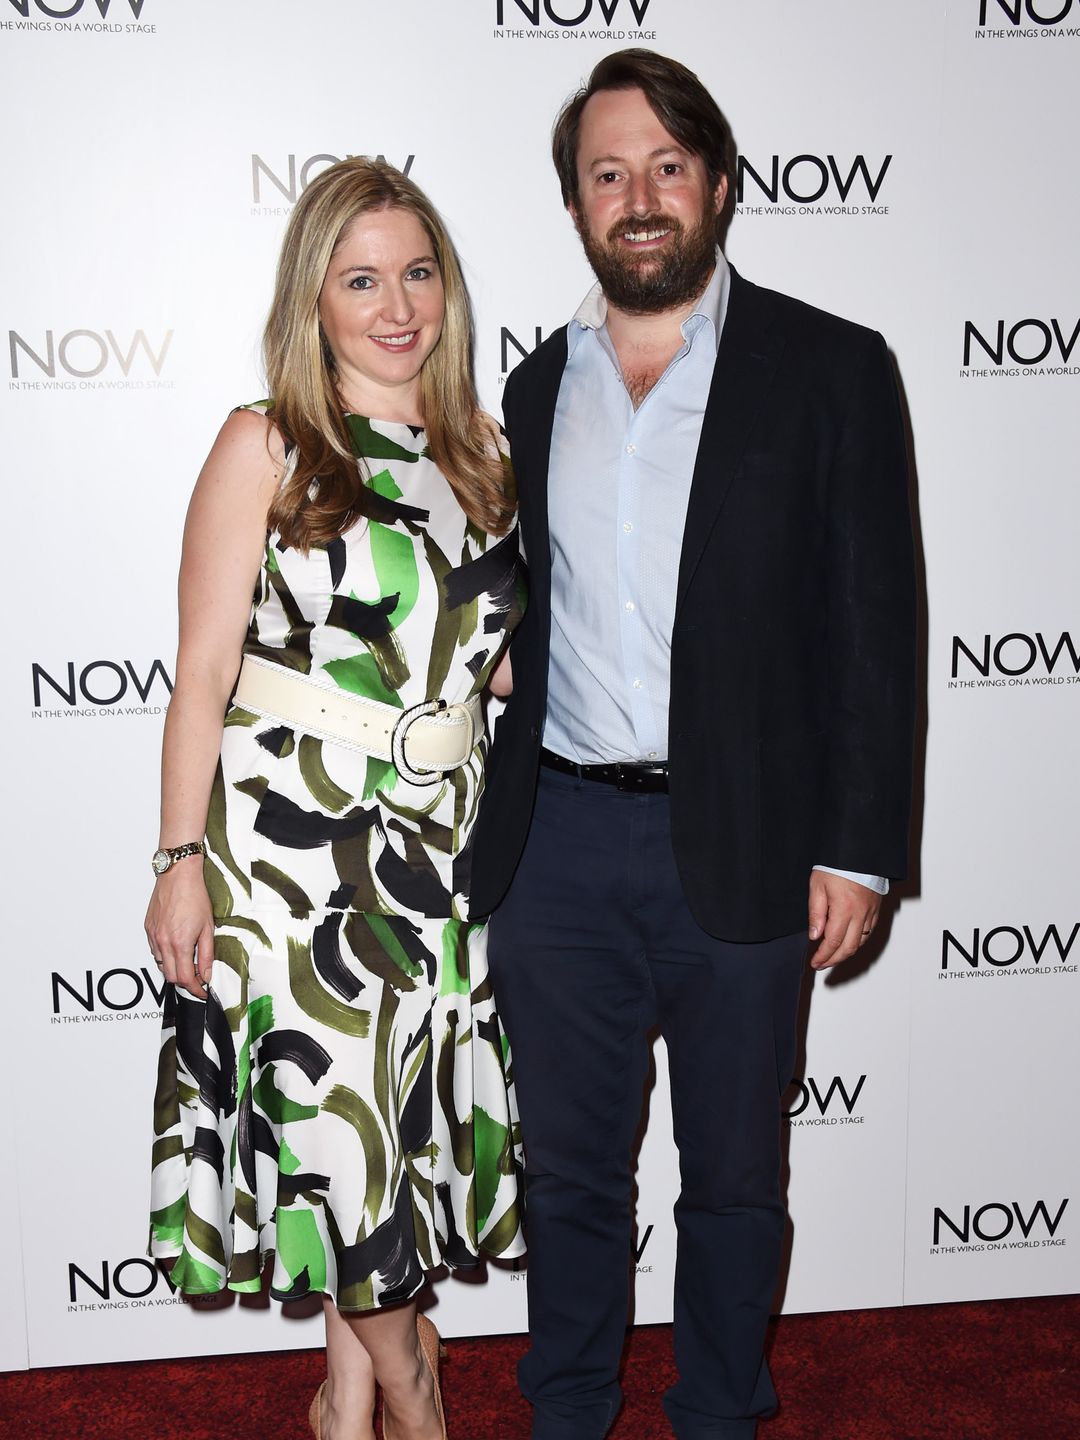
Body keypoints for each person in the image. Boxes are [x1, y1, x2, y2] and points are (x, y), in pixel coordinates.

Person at [470, 49, 916, 1440]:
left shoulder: (833, 367)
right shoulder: (536, 390)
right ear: (577, 205)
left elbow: (879, 631)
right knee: (573, 1180)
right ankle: (568, 1411)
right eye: (609, 174)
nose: (640, 197)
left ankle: (720, 1412)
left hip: (751, 840)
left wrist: (861, 846)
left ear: (719, 185)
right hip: (556, 847)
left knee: (733, 1178)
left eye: (667, 167)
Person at [145, 157, 525, 1440]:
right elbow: (200, 671)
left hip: (437, 847)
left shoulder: (483, 455)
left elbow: (491, 655)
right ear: (314, 298)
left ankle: (344, 1396)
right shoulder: (266, 442)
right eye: (361, 278)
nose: (397, 304)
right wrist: (175, 860)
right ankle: (411, 1384)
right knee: (335, 1134)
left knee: (382, 1124)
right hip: (290, 855)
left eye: (418, 272)